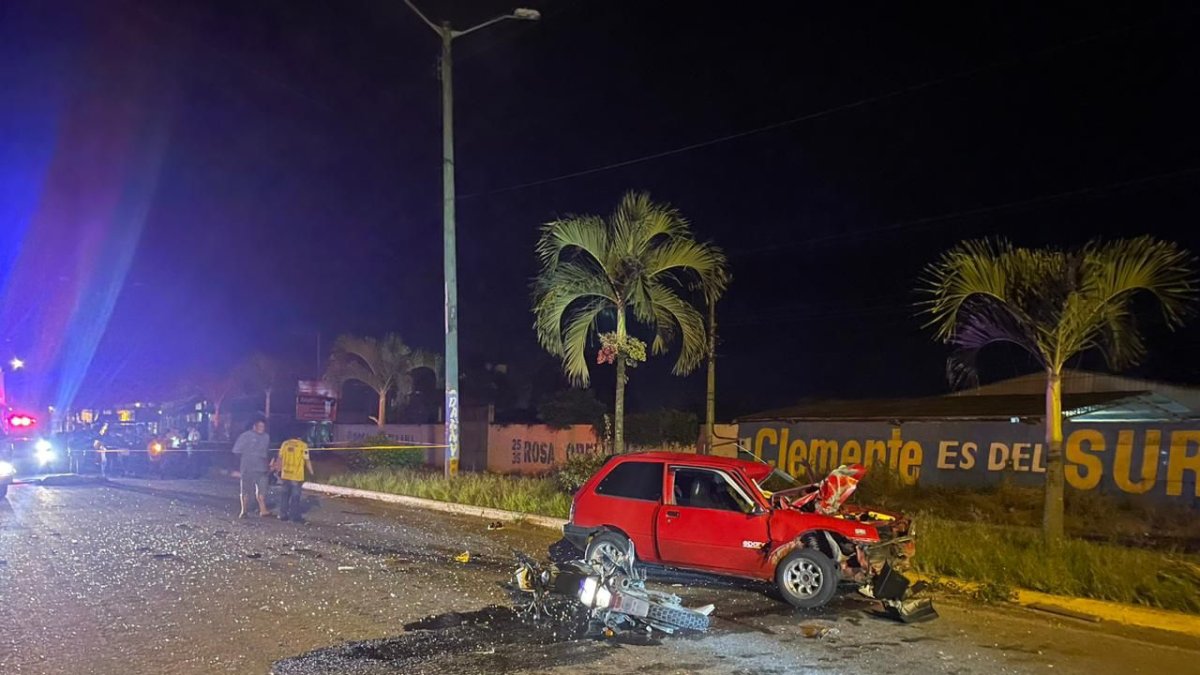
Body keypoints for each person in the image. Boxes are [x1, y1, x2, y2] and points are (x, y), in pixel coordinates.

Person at [232, 417, 271, 518]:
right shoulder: (245, 436)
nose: (262, 428)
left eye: (263, 426)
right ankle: (243, 511)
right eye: (260, 426)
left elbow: (266, 452)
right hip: (247, 468)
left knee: (262, 489)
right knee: (245, 490)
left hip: (261, 468)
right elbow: (236, 451)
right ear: (254, 426)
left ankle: (263, 510)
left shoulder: (266, 437)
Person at [274, 437, 313, 522]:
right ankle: (294, 516)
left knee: (284, 496)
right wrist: (311, 472)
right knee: (295, 497)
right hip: (296, 475)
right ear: (299, 438)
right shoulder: (303, 445)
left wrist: (278, 470)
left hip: (286, 474)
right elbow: (307, 460)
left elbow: (280, 458)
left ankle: (282, 515)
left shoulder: (285, 444)